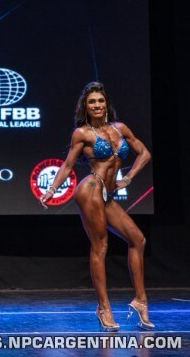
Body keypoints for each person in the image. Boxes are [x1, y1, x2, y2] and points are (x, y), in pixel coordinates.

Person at [40, 82, 153, 331]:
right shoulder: (82, 133)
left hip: (108, 195)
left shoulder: (120, 128)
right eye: (92, 102)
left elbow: (144, 153)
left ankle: (140, 301)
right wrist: (51, 190)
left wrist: (128, 178)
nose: (97, 105)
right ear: (86, 107)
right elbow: (68, 165)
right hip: (91, 189)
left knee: (138, 240)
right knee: (100, 246)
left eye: (100, 101)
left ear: (106, 104)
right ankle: (103, 308)